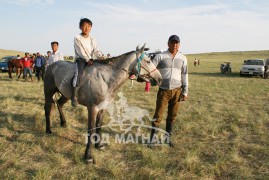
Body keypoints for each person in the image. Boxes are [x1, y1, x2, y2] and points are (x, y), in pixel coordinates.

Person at [150, 35, 188, 147]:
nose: (174, 45)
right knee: (158, 115)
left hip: (177, 91)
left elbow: (184, 75)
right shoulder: (160, 56)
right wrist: (152, 82)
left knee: (172, 116)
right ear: (168, 43)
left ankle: (168, 138)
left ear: (179, 44)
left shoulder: (183, 58)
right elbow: (151, 70)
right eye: (172, 42)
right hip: (164, 91)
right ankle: (152, 140)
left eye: (177, 43)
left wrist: (185, 91)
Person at [71, 18, 103, 107]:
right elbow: (80, 51)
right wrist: (87, 59)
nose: (87, 28)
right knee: (79, 74)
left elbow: (96, 50)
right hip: (81, 60)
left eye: (89, 26)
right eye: (84, 26)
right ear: (80, 27)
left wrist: (100, 56)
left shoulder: (93, 39)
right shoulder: (77, 38)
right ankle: (74, 96)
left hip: (92, 60)